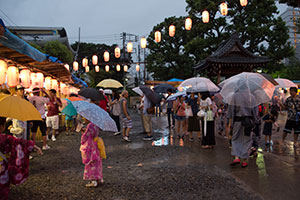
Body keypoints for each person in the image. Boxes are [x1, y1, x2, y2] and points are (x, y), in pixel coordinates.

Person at [0, 117, 42, 200]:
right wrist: (34, 146)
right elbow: (19, 142)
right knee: (2, 190)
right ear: (2, 126)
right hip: (2, 170)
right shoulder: (5, 138)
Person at [227, 103, 258, 168]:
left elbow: (231, 112)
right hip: (248, 122)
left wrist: (230, 123)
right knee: (246, 140)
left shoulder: (234, 97)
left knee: (235, 139)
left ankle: (236, 157)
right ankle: (244, 160)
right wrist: (254, 121)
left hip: (237, 121)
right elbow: (255, 113)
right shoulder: (251, 98)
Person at [80, 119, 103, 187]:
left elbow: (85, 137)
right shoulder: (95, 124)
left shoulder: (90, 125)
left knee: (91, 163)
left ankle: (93, 181)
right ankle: (98, 178)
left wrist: (83, 132)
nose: (83, 119)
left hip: (90, 146)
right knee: (97, 163)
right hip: (96, 144)